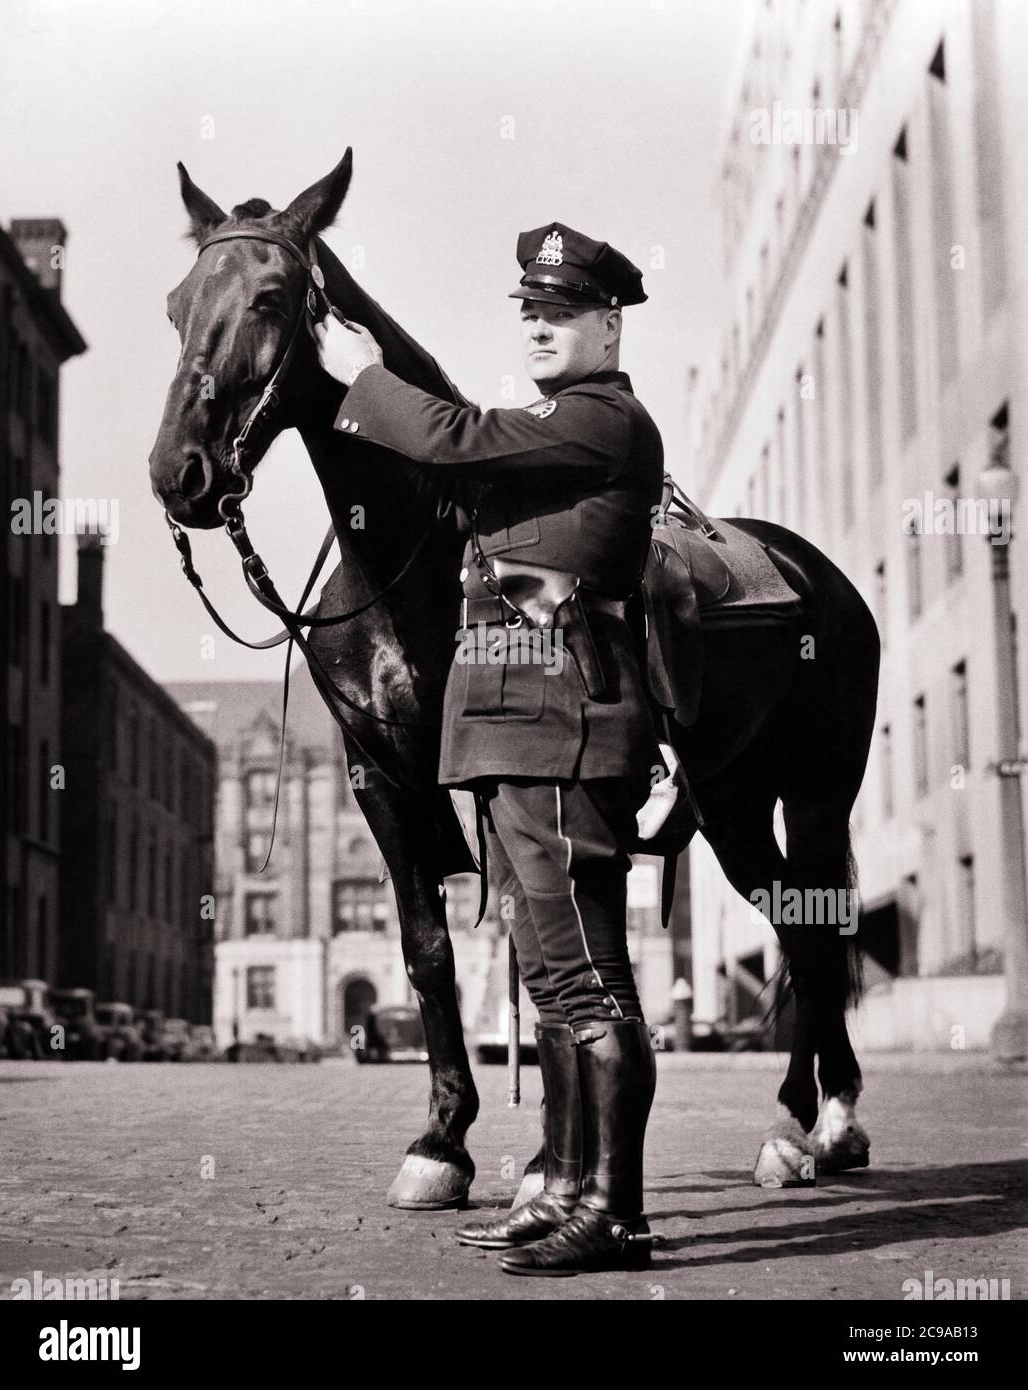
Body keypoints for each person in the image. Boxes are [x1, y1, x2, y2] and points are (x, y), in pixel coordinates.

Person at [314, 223, 663, 1276]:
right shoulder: (548, 453)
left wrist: (366, 376)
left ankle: (613, 1210)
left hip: (561, 736)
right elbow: (450, 483)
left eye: (562, 314)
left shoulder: (599, 423)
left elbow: (455, 437)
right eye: (531, 314)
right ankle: (562, 1186)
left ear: (607, 326)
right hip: (508, 739)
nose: (541, 328)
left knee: (589, 984)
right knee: (555, 986)